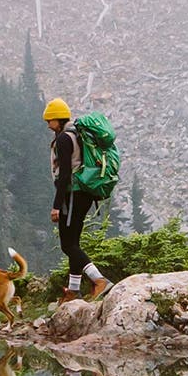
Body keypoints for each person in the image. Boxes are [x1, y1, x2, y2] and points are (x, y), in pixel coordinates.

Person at [44, 98, 110, 302]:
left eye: (50, 120)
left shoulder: (64, 139)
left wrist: (56, 205)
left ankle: (99, 280)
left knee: (68, 245)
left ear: (58, 119)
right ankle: (73, 291)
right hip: (82, 195)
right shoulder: (76, 134)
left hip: (72, 196)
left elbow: (64, 175)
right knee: (73, 242)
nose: (48, 124)